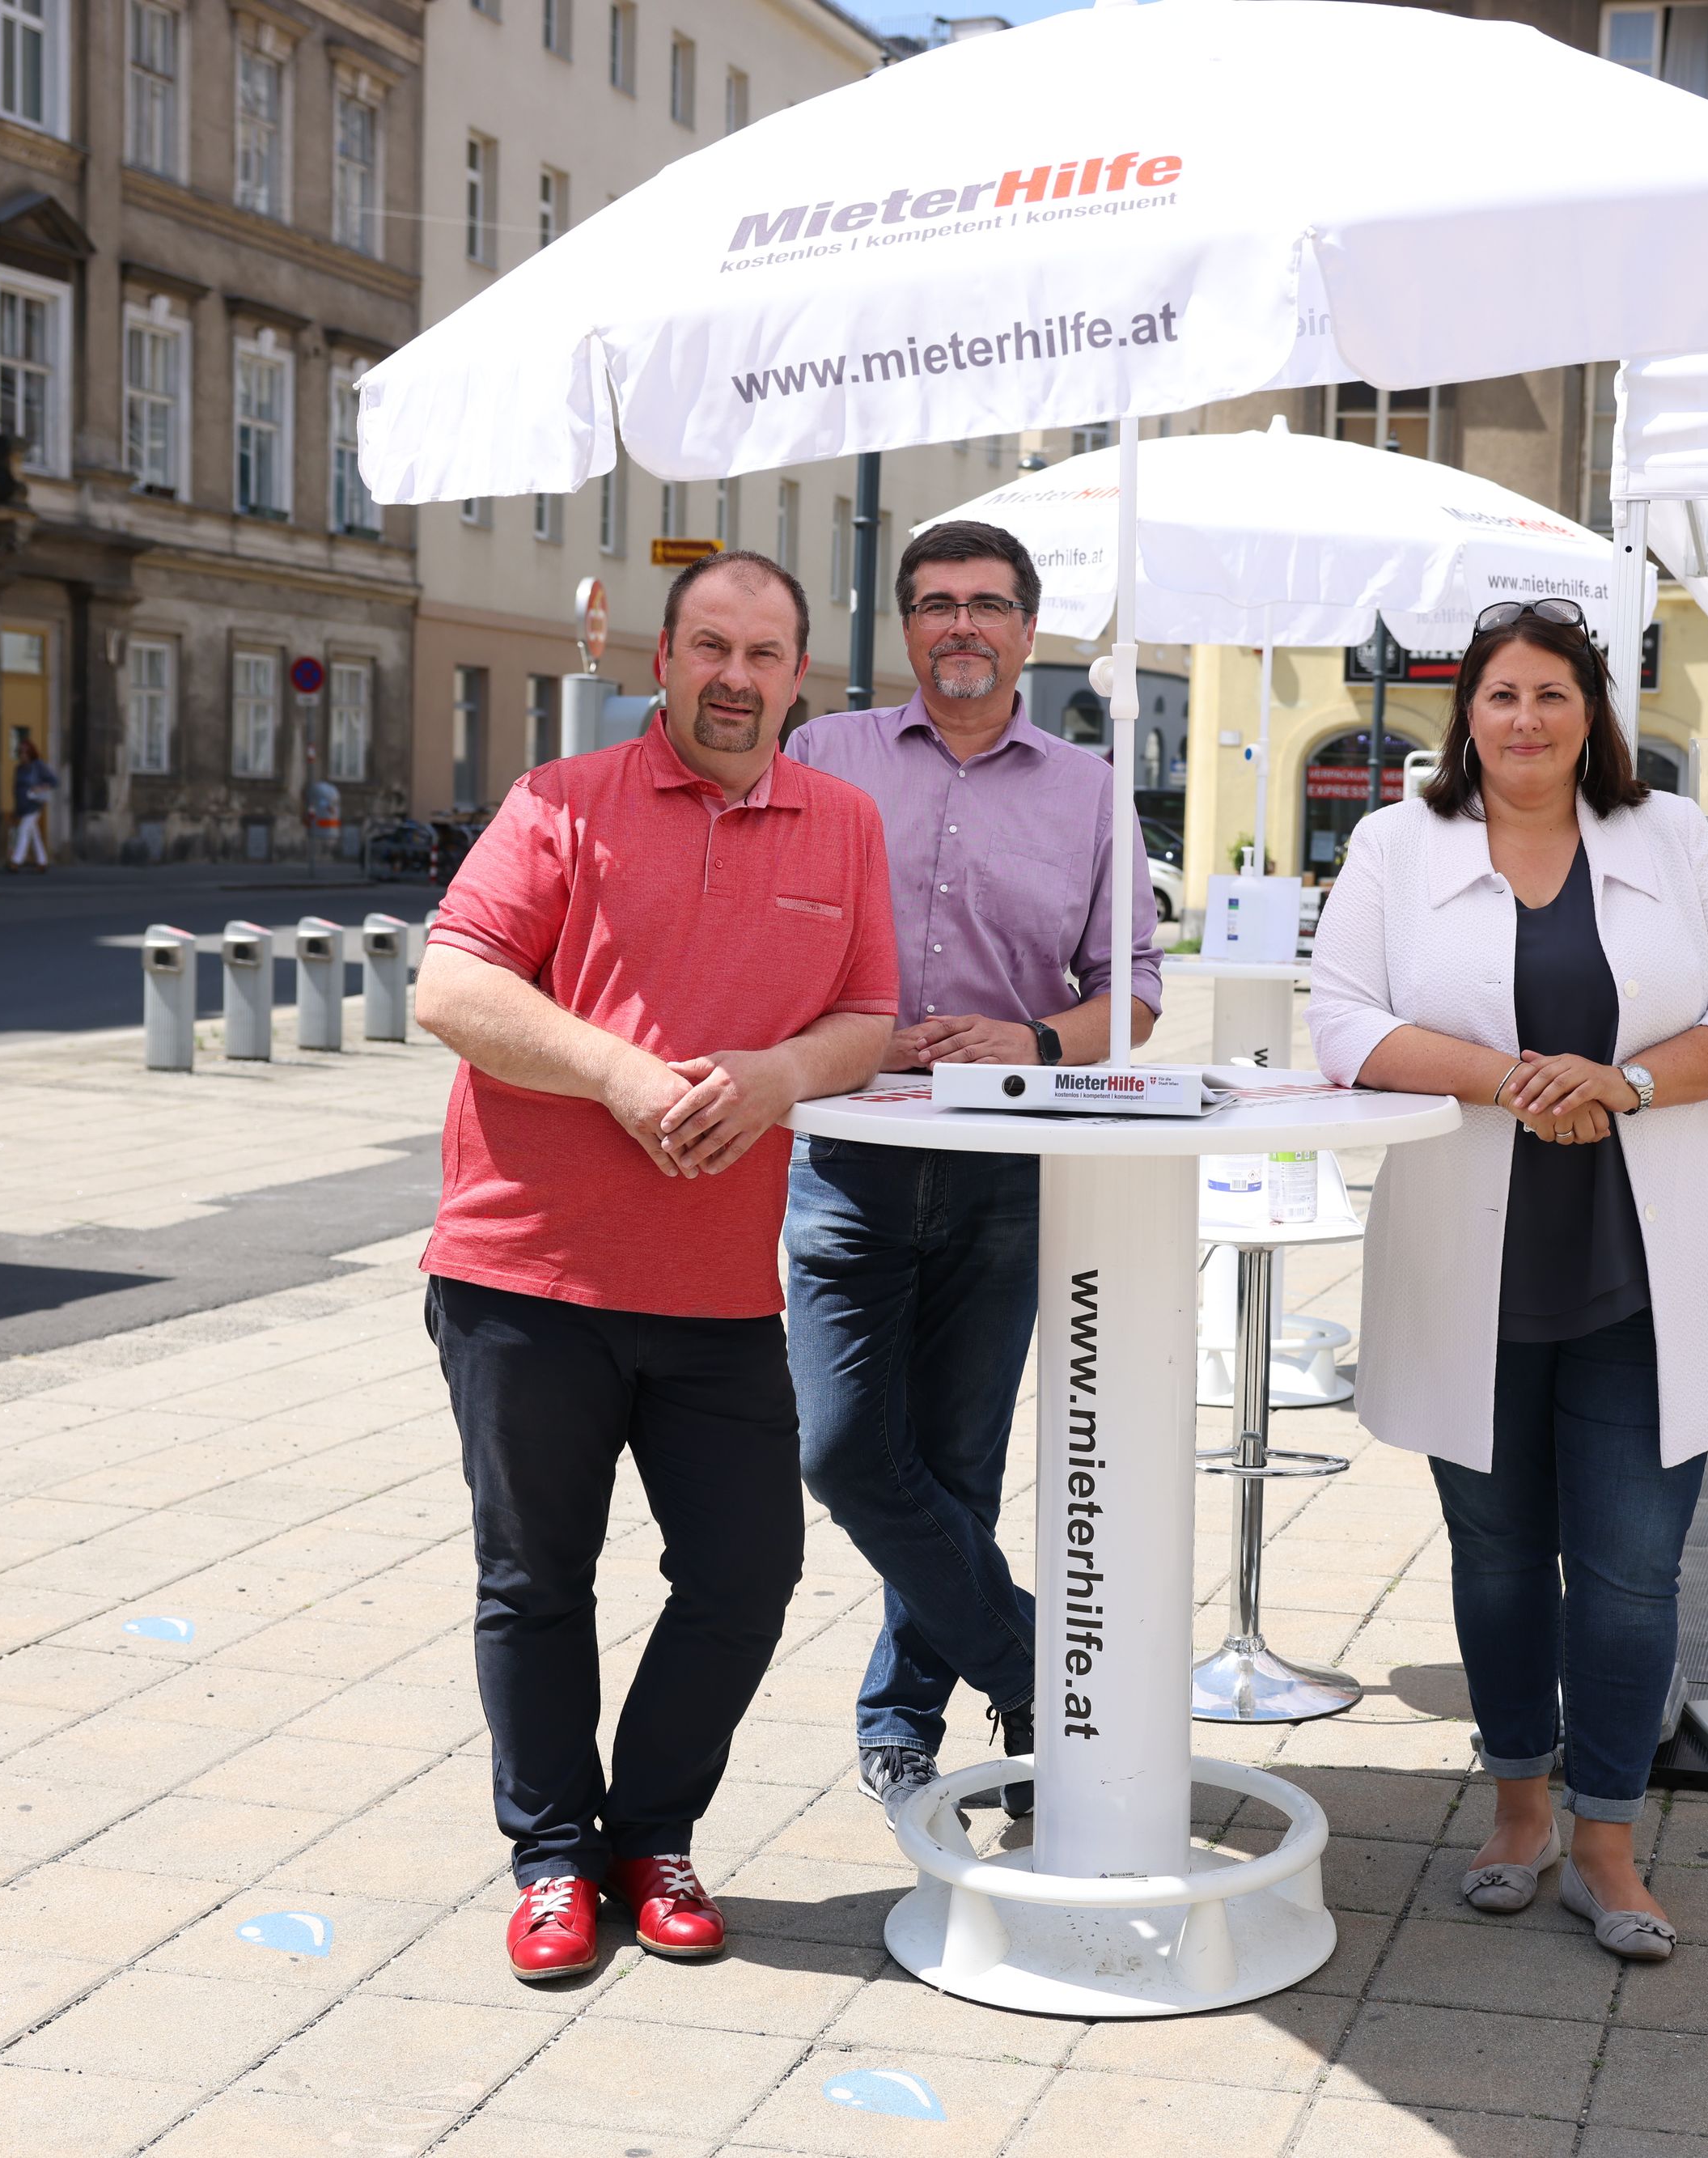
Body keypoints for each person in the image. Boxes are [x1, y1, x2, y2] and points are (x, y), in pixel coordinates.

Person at [413, 551, 897, 1981]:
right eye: (709, 647)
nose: (736, 677)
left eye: (765, 652)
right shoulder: (562, 805)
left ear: (801, 674)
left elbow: (869, 1014)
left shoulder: (845, 821)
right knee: (537, 1577)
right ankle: (554, 1854)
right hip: (527, 1271)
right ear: (661, 660)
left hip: (719, 1288)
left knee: (747, 1571)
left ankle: (652, 1831)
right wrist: (627, 1076)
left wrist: (776, 1072)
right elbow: (452, 984)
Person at [1308, 596, 1708, 1965]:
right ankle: (1518, 1805)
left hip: (1645, 1267)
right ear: (1469, 712)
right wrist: (1513, 1082)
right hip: (1479, 1268)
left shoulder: (1670, 836)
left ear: (1594, 716)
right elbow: (1339, 1018)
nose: (1524, 718)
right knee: (1504, 1556)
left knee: (1632, 1571)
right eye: (1502, 693)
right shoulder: (1398, 843)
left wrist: (1624, 1081)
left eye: (1552, 695)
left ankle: (1608, 1837)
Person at [783, 519, 1161, 1817]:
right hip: (852, 1151)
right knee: (839, 1448)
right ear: (906, 629)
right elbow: (763, 944)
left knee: (956, 1460)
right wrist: (849, 1033)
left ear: (1029, 630)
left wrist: (1037, 1039)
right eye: (938, 604)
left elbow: (1137, 993)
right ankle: (1046, 1673)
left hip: (1008, 1162)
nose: (963, 626)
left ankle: (902, 1717)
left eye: (989, 605)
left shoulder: (1088, 788)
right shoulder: (820, 756)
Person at [9, 732, 56, 872]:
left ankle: (16, 860)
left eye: (25, 752)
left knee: (24, 830)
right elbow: (16, 789)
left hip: (34, 805)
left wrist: (41, 787)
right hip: (22, 805)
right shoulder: (19, 769)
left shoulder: (38, 766)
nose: (22, 755)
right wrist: (15, 808)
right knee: (34, 834)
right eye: (20, 752)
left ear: (30, 753)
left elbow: (53, 781)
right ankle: (42, 861)